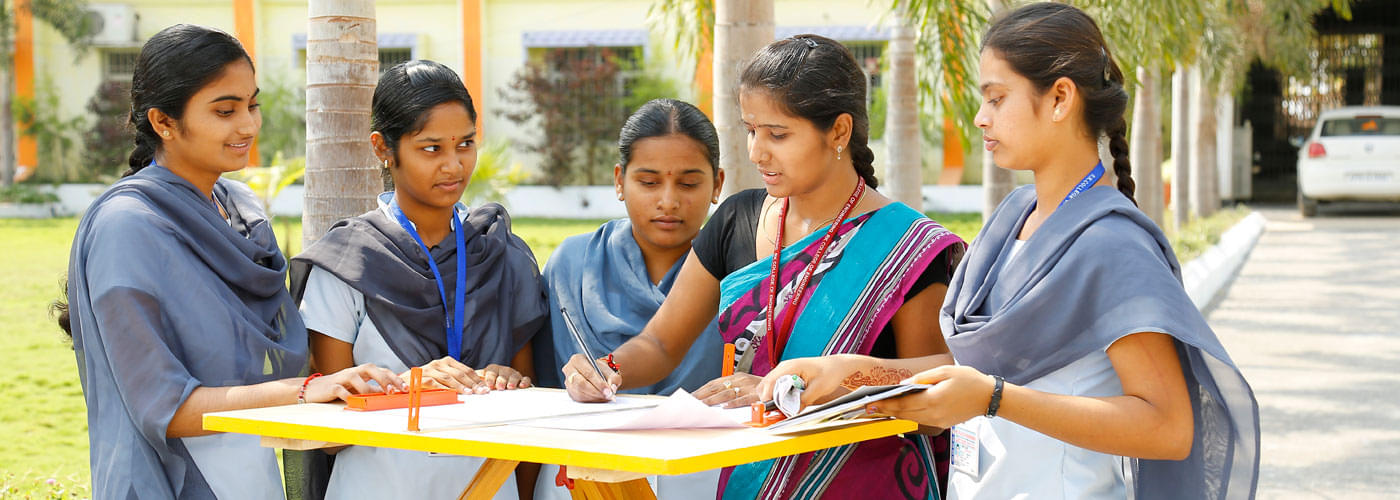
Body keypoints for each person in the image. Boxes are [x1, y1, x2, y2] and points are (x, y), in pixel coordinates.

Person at [760, 4, 1260, 499]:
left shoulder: (1112, 245)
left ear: (1061, 98)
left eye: (997, 99)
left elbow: (1168, 428)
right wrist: (851, 374)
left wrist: (996, 400)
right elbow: (973, 375)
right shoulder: (1011, 222)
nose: (980, 118)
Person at [564, 35, 966, 499]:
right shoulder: (739, 218)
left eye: (778, 134)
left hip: (864, 481)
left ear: (838, 132)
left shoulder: (904, 246)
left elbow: (936, 385)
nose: (756, 152)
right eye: (750, 130)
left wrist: (814, 382)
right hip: (750, 476)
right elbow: (660, 342)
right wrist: (607, 369)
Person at [62, 24, 402, 499]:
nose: (247, 125)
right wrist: (304, 392)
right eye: (225, 111)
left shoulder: (241, 211)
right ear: (163, 122)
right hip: (168, 482)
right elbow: (167, 408)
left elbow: (268, 364)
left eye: (251, 105)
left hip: (250, 472)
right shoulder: (128, 228)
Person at [291, 59, 548, 500]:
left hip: (489, 487)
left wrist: (511, 384)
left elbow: (533, 426)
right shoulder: (349, 263)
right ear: (383, 148)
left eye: (465, 144)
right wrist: (410, 385)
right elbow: (330, 428)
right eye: (431, 148)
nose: (453, 165)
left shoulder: (501, 254)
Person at [532, 98, 726, 499]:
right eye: (649, 182)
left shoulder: (741, 274)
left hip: (702, 478)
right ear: (619, 180)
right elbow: (542, 387)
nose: (668, 201)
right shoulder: (572, 263)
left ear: (717, 185)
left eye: (689, 183)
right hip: (582, 479)